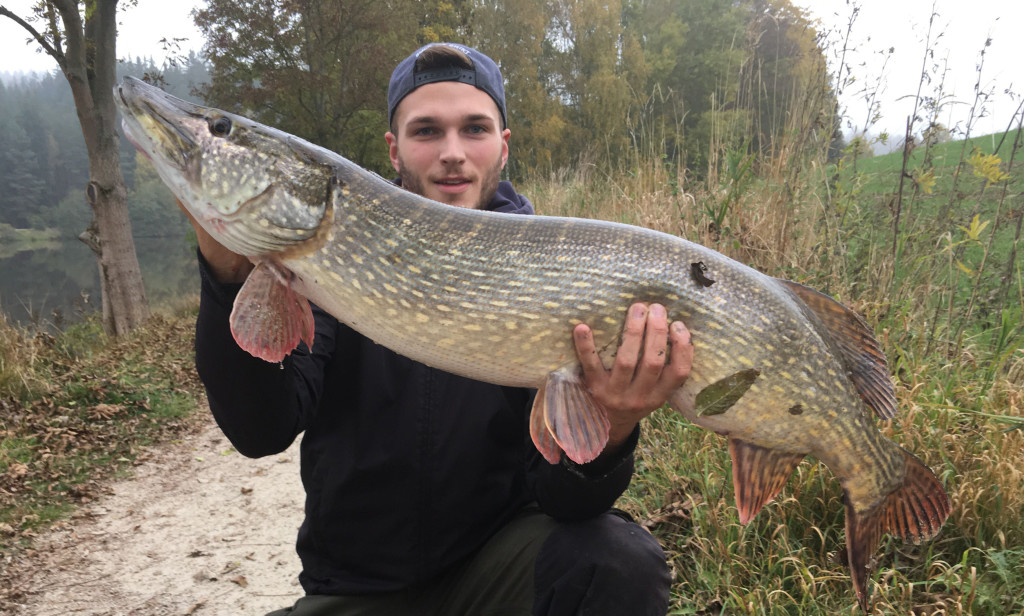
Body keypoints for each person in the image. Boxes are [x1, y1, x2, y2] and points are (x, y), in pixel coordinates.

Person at [184, 42, 694, 616]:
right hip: (356, 589)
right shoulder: (324, 262)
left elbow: (566, 501)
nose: (453, 153)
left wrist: (616, 425)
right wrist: (226, 276)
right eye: (426, 131)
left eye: (474, 128)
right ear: (394, 148)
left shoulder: (557, 273)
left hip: (495, 574)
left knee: (615, 561)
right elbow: (261, 430)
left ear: (502, 145)